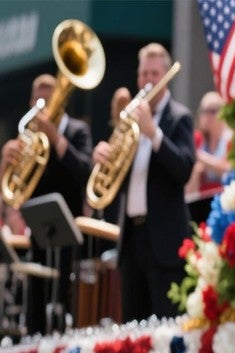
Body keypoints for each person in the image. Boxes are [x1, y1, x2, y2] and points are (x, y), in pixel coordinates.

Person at [92, 43, 195, 322]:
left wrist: (154, 134)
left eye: (154, 72)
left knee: (165, 327)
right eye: (143, 73)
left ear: (165, 74)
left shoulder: (179, 117)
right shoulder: (130, 121)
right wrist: (105, 161)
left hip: (164, 239)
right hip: (133, 240)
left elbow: (184, 169)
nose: (147, 79)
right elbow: (121, 183)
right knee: (132, 329)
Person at [0, 73, 94, 335]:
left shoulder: (77, 130)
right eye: (37, 99)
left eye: (47, 99)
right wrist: (5, 162)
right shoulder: (28, 138)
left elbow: (85, 170)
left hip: (70, 230)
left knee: (64, 297)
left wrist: (56, 138)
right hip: (38, 230)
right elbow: (8, 191)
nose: (41, 105)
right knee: (36, 298)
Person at [185, 91, 232, 221]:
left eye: (212, 111)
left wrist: (200, 158)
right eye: (204, 111)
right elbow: (189, 190)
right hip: (202, 207)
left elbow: (229, 169)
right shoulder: (198, 141)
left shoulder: (229, 139)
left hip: (226, 205)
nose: (207, 116)